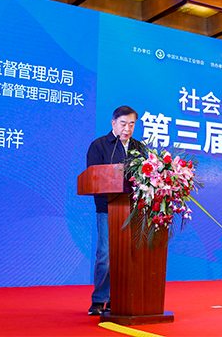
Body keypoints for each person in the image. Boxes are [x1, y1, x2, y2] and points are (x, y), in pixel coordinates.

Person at [86, 105, 142, 316]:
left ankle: (117, 299)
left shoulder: (139, 148)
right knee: (106, 255)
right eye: (123, 124)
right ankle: (99, 300)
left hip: (133, 210)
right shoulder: (99, 145)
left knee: (129, 256)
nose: (127, 129)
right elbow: (92, 177)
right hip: (108, 208)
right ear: (113, 123)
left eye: (131, 124)